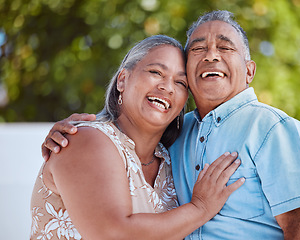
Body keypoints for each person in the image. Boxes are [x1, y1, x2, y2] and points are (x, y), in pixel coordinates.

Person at [42, 10, 300, 239]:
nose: (211, 55)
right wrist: (74, 136)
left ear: (250, 71)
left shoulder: (272, 128)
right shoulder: (174, 138)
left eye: (225, 47)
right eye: (198, 48)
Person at [31, 35, 245, 240]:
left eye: (181, 83)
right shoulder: (84, 139)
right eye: (155, 72)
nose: (167, 87)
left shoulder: (172, 161)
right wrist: (200, 208)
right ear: (122, 80)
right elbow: (113, 234)